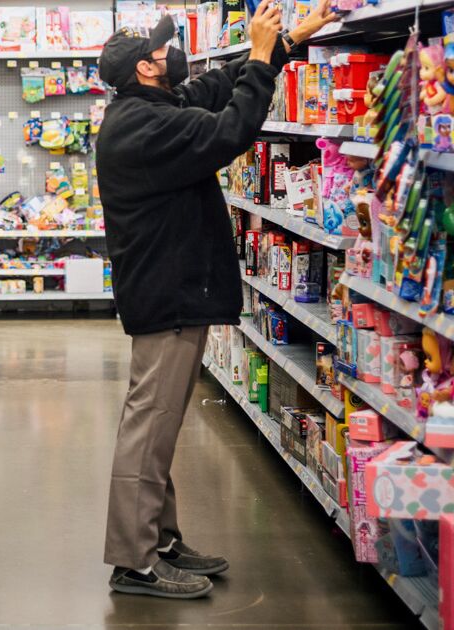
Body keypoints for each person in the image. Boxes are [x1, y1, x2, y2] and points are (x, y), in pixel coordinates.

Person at [94, 1, 339, 600]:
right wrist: (257, 56)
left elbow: (213, 84)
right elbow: (232, 130)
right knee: (149, 424)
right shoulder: (144, 128)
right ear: (148, 68)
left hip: (175, 288)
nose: (173, 53)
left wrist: (284, 44)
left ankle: (159, 536)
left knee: (161, 421)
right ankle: (134, 560)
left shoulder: (152, 104)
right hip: (167, 293)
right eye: (162, 47)